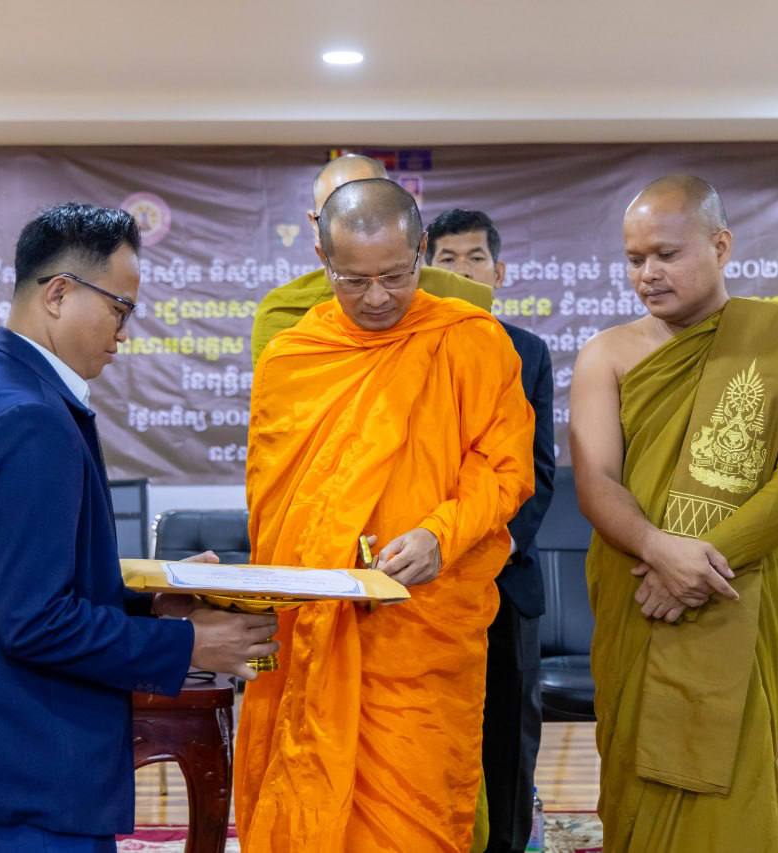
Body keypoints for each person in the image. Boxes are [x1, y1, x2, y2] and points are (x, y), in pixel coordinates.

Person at [0, 202, 277, 851]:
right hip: (22, 773)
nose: (124, 331)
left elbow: (17, 583)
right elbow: (36, 620)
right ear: (59, 293)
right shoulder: (28, 417)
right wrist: (186, 644)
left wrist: (151, 603)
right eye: (120, 308)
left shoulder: (6, 385)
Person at [236, 179, 535, 851]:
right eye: (353, 280)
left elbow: (504, 469)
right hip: (313, 633)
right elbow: (272, 506)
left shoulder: (472, 342)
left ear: (421, 249)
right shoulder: (293, 360)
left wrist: (439, 534)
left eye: (396, 276)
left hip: (421, 635)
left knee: (416, 816)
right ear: (322, 258)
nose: (376, 298)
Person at [570, 175, 778, 851]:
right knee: (637, 777)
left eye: (666, 254)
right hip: (638, 589)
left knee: (735, 776)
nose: (648, 273)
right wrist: (660, 551)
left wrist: (695, 568)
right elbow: (596, 481)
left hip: (738, 592)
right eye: (635, 258)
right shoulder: (606, 353)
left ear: (720, 245)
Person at [427, 207, 556, 853]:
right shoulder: (410, 346)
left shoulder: (527, 352)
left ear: (499, 272)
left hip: (502, 581)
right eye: (445, 260)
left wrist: (485, 552)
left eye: (474, 258)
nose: (462, 272)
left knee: (507, 740)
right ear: (424, 270)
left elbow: (538, 472)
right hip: (422, 582)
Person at [250, 153, 494, 364]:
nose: (360, 223)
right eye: (338, 212)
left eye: (375, 207)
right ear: (315, 224)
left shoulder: (459, 298)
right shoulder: (284, 313)